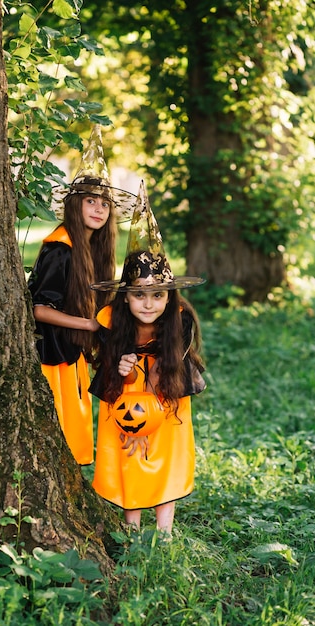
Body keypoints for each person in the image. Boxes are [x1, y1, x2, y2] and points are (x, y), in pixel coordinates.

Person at [89, 180, 206, 535]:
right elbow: (109, 370)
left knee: (165, 451)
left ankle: (165, 530)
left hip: (166, 390)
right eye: (140, 295)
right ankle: (132, 528)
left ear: (169, 298)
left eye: (158, 295)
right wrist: (122, 372)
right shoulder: (112, 321)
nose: (149, 303)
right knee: (128, 453)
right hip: (125, 397)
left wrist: (149, 417)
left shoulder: (178, 320)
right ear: (125, 298)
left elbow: (163, 372)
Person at [27, 125, 136, 465]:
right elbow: (39, 310)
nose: (99, 210)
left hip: (70, 350)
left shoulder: (90, 249)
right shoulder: (61, 248)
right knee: (59, 421)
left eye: (105, 204)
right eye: (91, 201)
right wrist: (89, 326)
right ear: (76, 205)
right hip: (50, 351)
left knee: (73, 423)